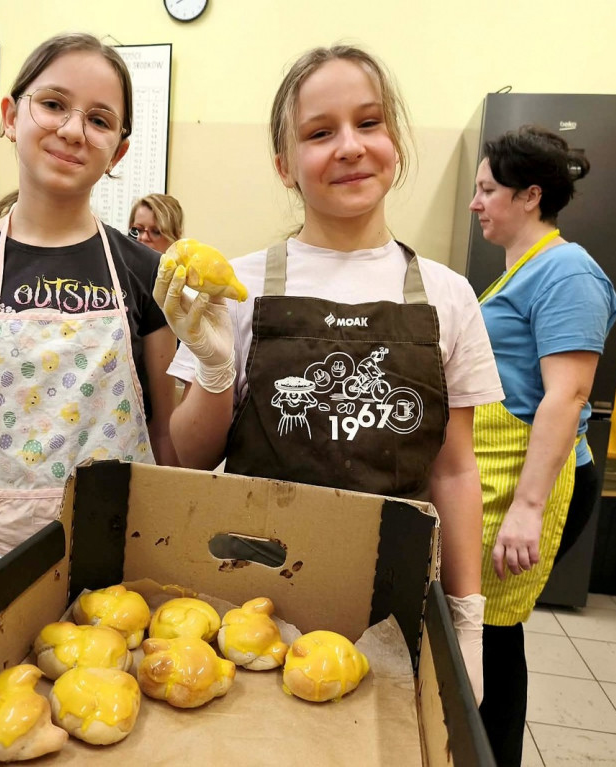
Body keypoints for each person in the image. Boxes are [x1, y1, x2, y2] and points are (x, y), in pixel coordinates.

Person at [153, 44, 504, 704]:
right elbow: (188, 457)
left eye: (369, 123)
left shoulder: (448, 295)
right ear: (286, 165)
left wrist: (467, 618)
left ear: (395, 141)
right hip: (250, 598)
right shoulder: (238, 284)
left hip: (388, 605)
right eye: (320, 132)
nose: (349, 146)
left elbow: (454, 471)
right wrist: (214, 364)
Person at [0, 33, 178, 555]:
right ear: (10, 116)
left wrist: (214, 370)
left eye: (98, 119)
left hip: (122, 548)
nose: (73, 130)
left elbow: (167, 443)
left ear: (118, 150)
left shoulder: (145, 271)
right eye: (52, 104)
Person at [469, 126, 616, 765]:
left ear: (529, 196)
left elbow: (567, 394)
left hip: (531, 481)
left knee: (497, 638)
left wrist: (526, 509)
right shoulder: (521, 268)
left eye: (487, 190)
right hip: (497, 470)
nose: (477, 203)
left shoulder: (566, 271)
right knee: (478, 630)